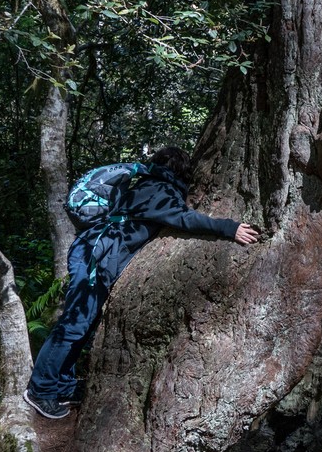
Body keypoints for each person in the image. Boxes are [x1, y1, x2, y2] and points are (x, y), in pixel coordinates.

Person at [23, 146, 260, 419]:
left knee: (82, 326)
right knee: (74, 325)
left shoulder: (143, 182)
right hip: (95, 257)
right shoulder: (159, 188)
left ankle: (61, 385)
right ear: (182, 171)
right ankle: (40, 391)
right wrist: (229, 228)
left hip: (94, 252)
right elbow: (183, 218)